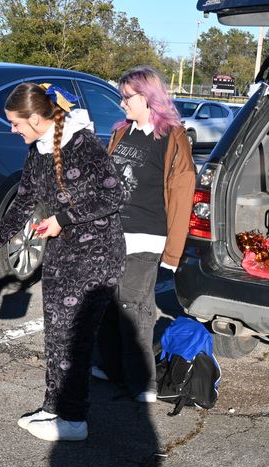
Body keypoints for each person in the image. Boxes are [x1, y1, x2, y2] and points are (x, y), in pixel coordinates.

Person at [0, 82, 125, 442]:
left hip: (96, 254)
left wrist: (63, 219)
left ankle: (73, 419)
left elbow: (116, 193)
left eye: (15, 123)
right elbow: (22, 203)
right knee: (56, 334)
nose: (12, 129)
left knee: (76, 337)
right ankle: (54, 407)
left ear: (36, 118)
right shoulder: (38, 149)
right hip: (62, 253)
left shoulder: (82, 144)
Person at [94, 65, 196, 403]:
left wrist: (173, 252)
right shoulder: (122, 132)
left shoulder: (171, 136)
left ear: (148, 97)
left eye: (127, 97)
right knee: (108, 302)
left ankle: (143, 382)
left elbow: (182, 192)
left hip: (146, 235)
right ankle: (111, 367)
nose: (122, 103)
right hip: (112, 233)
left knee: (134, 305)